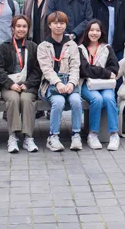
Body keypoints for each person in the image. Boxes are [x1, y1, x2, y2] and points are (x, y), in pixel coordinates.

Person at [0, 15, 42, 153]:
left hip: (27, 85)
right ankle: (12, 136)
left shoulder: (33, 47)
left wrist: (27, 84)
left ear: (28, 29)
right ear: (13, 28)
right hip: (9, 86)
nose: (21, 29)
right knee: (14, 99)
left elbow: (38, 70)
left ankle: (28, 137)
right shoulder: (4, 47)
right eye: (18, 26)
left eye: (24, 26)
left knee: (26, 99)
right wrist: (10, 84)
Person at [38, 11, 83, 151]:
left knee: (76, 100)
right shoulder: (43, 46)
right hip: (51, 84)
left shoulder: (72, 45)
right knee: (59, 102)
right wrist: (58, 83)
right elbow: (47, 70)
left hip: (69, 83)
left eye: (62, 23)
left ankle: (76, 135)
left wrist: (71, 83)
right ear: (49, 25)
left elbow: (76, 67)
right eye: (55, 23)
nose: (59, 26)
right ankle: (53, 136)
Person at [78, 20, 120, 150]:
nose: (94, 33)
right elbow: (84, 70)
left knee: (108, 98)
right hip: (87, 84)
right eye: (91, 30)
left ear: (101, 32)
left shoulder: (107, 48)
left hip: (105, 85)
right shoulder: (80, 49)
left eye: (97, 30)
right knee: (97, 99)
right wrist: (105, 73)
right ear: (87, 32)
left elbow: (115, 68)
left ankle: (114, 134)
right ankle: (93, 134)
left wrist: (96, 71)